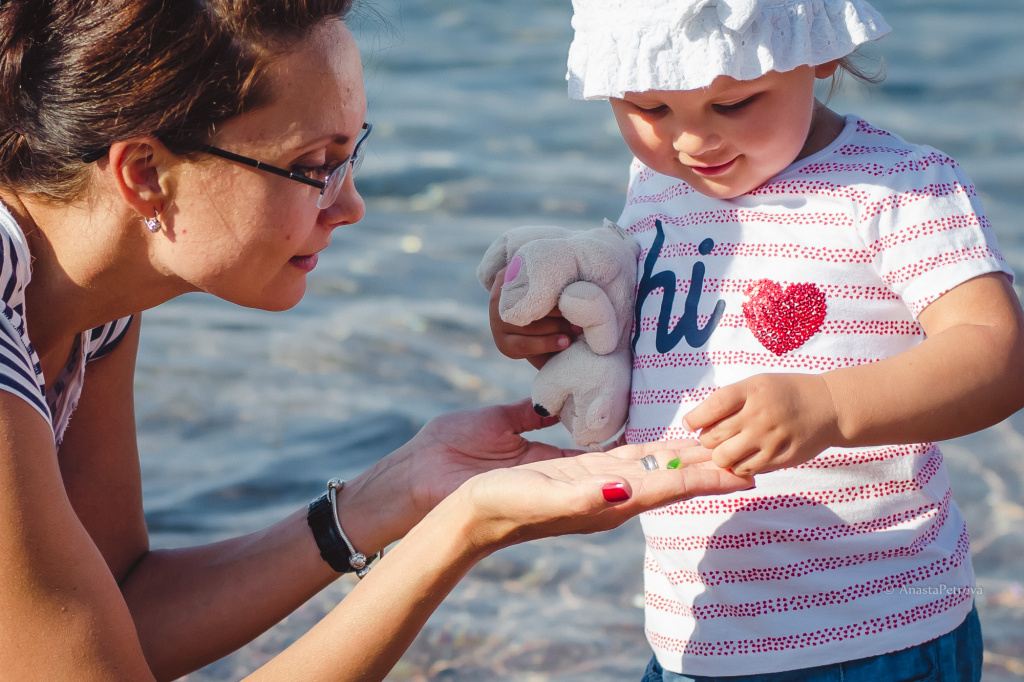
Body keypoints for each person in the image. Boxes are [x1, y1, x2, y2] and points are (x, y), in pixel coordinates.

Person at [0, 1, 757, 680]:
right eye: (313, 167)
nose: (351, 205)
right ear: (143, 173)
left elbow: (120, 616)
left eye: (350, 157)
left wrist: (397, 492)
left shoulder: (93, 306)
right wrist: (464, 528)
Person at [488, 0, 1024, 679]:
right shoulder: (657, 187)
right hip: (695, 630)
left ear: (819, 52)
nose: (691, 143)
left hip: (873, 629)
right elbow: (652, 355)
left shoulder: (897, 186)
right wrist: (550, 332)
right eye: (650, 109)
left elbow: (996, 352)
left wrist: (830, 407)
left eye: (733, 103)